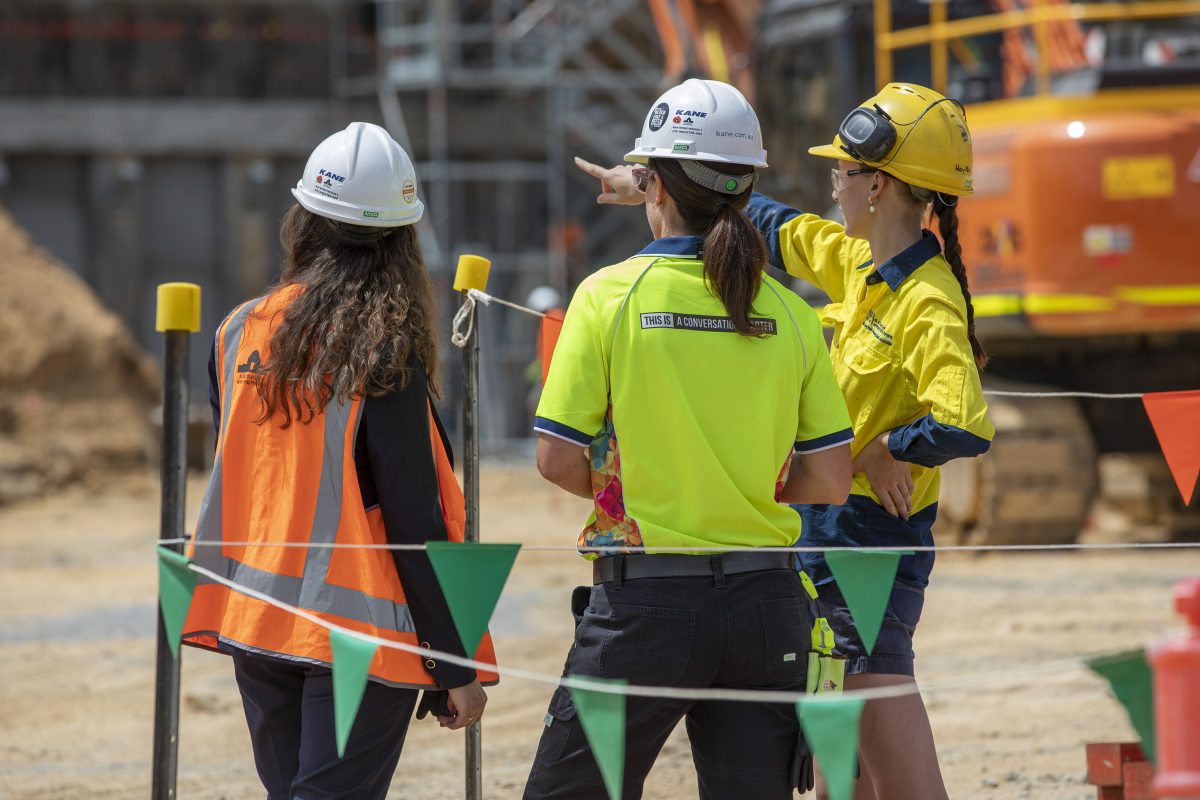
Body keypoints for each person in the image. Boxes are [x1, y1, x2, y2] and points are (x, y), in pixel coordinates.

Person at [577, 82, 996, 799]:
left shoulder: (927, 298)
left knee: (881, 727)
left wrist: (883, 449)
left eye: (843, 172)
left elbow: (963, 420)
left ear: (880, 185)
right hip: (824, 529)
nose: (834, 185)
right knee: (840, 742)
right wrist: (652, 182)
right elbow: (764, 219)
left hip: (869, 539)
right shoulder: (855, 260)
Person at [525, 78, 854, 800]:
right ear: (747, 189)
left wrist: (631, 487)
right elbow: (830, 482)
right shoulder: (791, 314)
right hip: (768, 608)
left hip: (645, 608)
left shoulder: (610, 296)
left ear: (652, 183)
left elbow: (555, 458)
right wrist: (746, 486)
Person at [181, 122, 495, 800]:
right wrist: (453, 665)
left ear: (305, 222)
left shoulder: (238, 330)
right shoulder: (384, 353)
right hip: (355, 634)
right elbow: (414, 520)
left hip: (258, 618)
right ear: (401, 242)